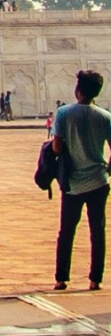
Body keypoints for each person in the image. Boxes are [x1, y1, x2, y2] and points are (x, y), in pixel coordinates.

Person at [53, 70, 111, 291]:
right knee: (98, 231)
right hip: (98, 181)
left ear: (77, 90)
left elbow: (57, 146)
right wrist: (108, 169)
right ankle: (95, 279)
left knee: (66, 231)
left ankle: (61, 278)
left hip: (73, 183)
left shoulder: (64, 113)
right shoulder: (104, 116)